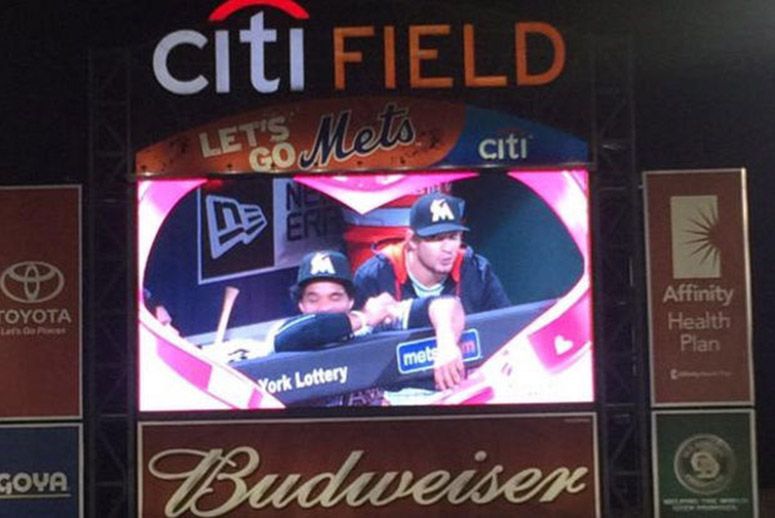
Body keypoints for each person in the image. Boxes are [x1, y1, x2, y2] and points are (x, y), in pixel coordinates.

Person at [353, 192, 511, 390]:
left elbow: (506, 334)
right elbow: (356, 355)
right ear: (412, 240)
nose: (447, 248)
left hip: (463, 389)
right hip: (394, 397)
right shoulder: (375, 274)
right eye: (435, 238)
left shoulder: (475, 270)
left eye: (453, 237)